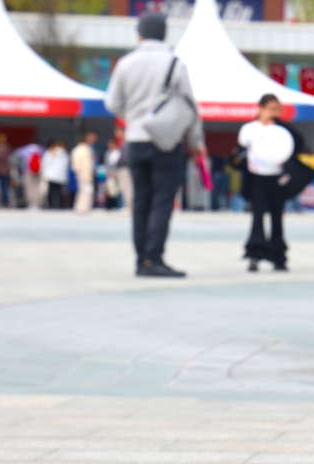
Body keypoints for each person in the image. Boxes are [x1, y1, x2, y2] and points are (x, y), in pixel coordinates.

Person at [105, 13, 205, 278]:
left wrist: (135, 117)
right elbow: (190, 108)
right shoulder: (175, 64)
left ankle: (141, 260)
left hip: (135, 140)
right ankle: (155, 258)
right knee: (162, 201)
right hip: (167, 141)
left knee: (141, 201)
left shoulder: (125, 63)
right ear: (164, 34)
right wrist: (196, 142)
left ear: (139, 34)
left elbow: (112, 103)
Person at [236, 93, 294, 272]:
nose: (274, 112)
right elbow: (241, 147)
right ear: (260, 108)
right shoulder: (249, 128)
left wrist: (278, 125)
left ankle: (278, 255)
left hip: (276, 177)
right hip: (257, 177)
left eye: (277, 109)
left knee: (277, 217)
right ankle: (255, 254)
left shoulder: (281, 129)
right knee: (258, 216)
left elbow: (294, 144)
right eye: (271, 109)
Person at [71, 133, 98, 214]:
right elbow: (87, 164)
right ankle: (83, 207)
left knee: (81, 190)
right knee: (86, 191)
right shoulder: (86, 150)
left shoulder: (76, 149)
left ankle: (79, 206)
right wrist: (88, 175)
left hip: (79, 172)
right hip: (85, 173)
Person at [41, 141, 69, 209]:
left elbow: (44, 164)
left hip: (51, 175)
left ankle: (51, 205)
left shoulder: (50, 152)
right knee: (59, 191)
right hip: (61, 176)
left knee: (51, 191)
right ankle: (59, 205)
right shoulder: (65, 154)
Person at [104, 139, 124, 209]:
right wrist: (109, 172)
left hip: (119, 173)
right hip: (111, 174)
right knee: (111, 190)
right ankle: (111, 205)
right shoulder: (107, 153)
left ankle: (121, 205)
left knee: (120, 190)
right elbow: (106, 164)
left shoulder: (119, 152)